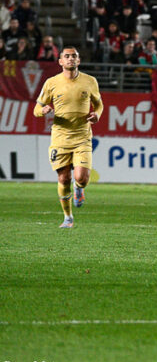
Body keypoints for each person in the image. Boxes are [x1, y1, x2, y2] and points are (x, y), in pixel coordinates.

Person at [33, 47, 103, 228]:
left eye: (74, 56)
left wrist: (97, 114)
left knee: (81, 178)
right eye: (67, 56)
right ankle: (68, 218)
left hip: (82, 137)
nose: (71, 59)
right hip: (60, 138)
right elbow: (36, 109)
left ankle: (79, 188)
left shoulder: (90, 81)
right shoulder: (51, 82)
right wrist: (43, 110)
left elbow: (99, 104)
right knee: (63, 179)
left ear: (78, 60)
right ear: (60, 61)